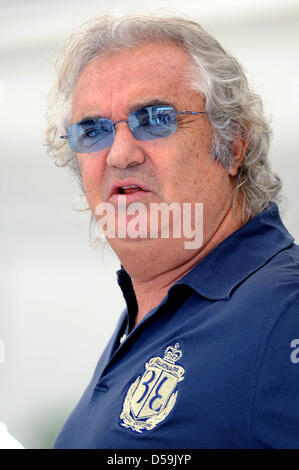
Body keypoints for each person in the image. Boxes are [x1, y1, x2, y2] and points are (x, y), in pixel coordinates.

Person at [46, 15, 299, 449]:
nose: (120, 154)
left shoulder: (286, 309)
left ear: (232, 144)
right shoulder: (151, 314)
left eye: (156, 118)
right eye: (93, 130)